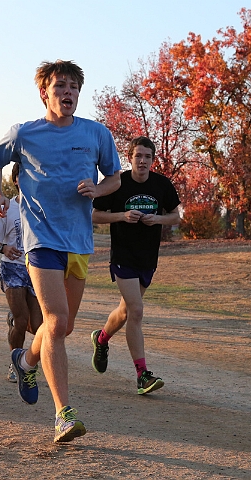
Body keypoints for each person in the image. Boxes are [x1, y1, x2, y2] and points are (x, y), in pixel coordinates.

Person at [0, 60, 121, 443]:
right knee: (57, 321)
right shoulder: (25, 134)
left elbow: (113, 178)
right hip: (40, 239)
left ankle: (26, 360)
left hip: (78, 242)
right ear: (44, 92)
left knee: (63, 326)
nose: (67, 92)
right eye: (60, 85)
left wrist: (99, 189)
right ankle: (63, 413)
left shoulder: (96, 134)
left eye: (74, 87)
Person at [90, 136, 181, 395]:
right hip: (123, 256)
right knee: (137, 311)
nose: (142, 161)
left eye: (147, 157)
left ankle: (101, 338)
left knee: (126, 312)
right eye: (138, 156)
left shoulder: (162, 184)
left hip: (147, 259)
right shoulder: (117, 183)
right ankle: (142, 375)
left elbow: (176, 216)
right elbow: (94, 214)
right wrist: (122, 216)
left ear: (153, 160)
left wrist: (158, 219)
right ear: (129, 158)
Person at [0, 163, 43, 383]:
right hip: (12, 268)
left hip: (36, 269)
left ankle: (28, 357)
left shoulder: (41, 208)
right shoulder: (8, 208)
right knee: (21, 320)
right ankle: (16, 363)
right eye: (23, 176)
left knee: (38, 326)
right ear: (16, 180)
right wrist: (4, 248)